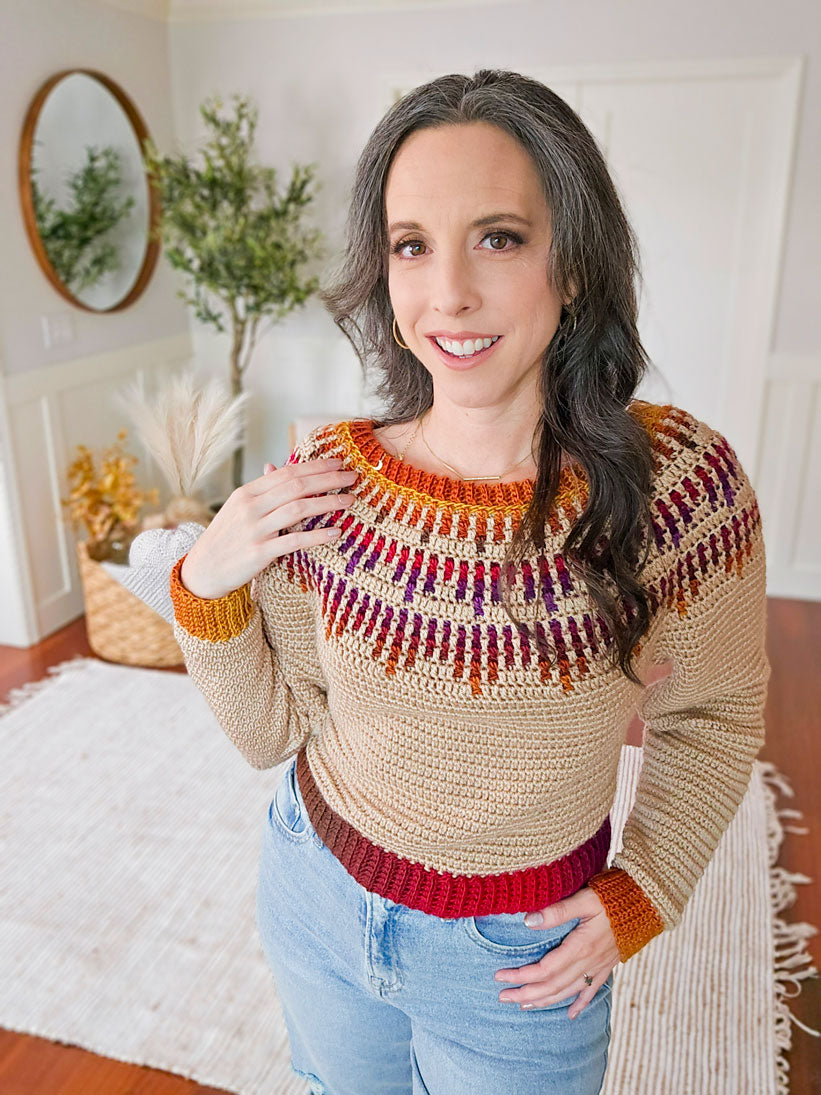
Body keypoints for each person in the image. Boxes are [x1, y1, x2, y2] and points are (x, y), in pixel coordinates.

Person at [168, 68, 769, 1095]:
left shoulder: (680, 492)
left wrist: (643, 890)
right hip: (315, 896)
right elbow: (272, 732)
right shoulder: (332, 478)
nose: (446, 293)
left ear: (571, 264)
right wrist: (206, 582)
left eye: (497, 237)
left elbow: (713, 716)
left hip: (518, 965)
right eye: (411, 245)